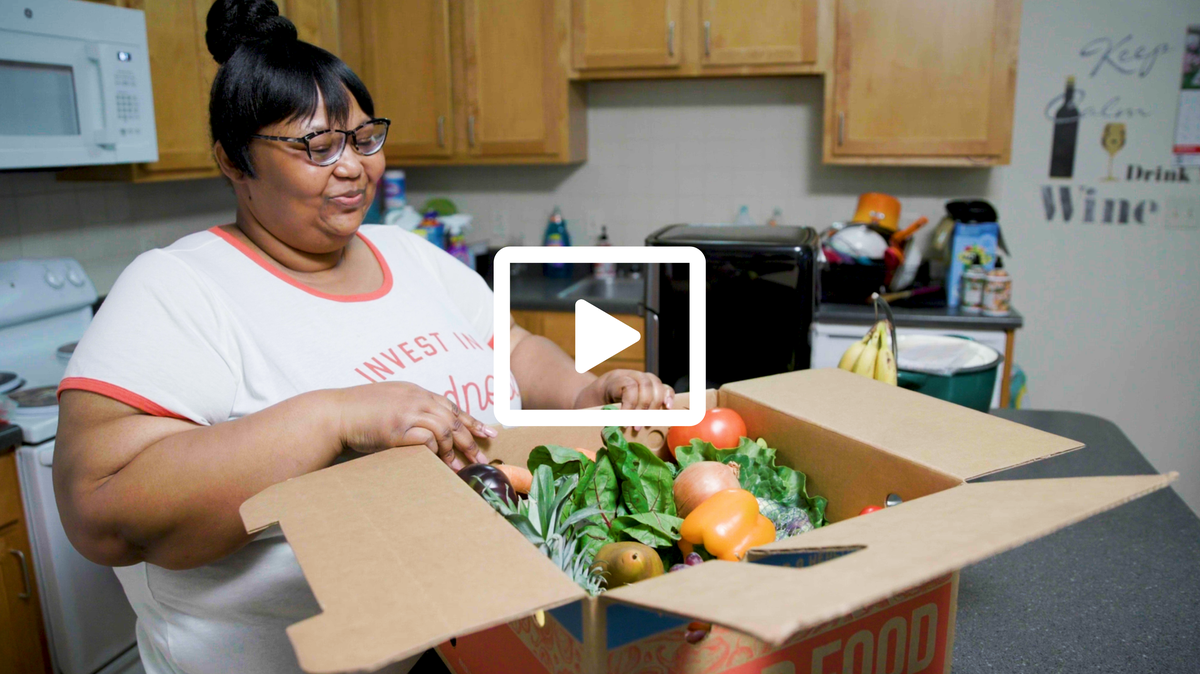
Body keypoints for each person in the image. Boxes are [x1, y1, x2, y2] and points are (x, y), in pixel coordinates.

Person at [52, 2, 672, 672]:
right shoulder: (177, 288)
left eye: (363, 139)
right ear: (234, 162)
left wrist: (586, 392)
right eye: (317, 147)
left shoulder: (406, 253)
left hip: (461, 638)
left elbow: (514, 347)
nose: (352, 167)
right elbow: (100, 509)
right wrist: (336, 416)